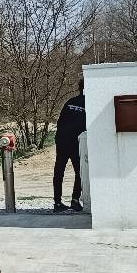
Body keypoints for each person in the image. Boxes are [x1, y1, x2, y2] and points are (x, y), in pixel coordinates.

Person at [53, 82, 86, 212]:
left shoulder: (70, 101)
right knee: (80, 172)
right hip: (76, 142)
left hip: (62, 140)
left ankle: (57, 203)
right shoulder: (89, 103)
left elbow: (60, 121)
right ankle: (75, 200)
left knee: (59, 171)